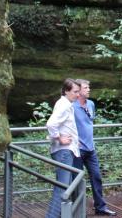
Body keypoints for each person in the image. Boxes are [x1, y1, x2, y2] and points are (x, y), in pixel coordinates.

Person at [72, 79, 116, 216]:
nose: (89, 89)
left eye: (88, 87)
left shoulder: (91, 104)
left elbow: (89, 123)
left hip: (90, 149)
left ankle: (100, 207)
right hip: (77, 150)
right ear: (78, 91)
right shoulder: (71, 106)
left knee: (97, 177)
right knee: (77, 181)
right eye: (86, 88)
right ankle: (77, 210)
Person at [45, 78, 82, 218]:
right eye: (75, 92)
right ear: (66, 91)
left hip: (64, 151)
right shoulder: (65, 105)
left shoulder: (65, 103)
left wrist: (74, 142)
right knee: (62, 188)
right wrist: (59, 137)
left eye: (79, 92)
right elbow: (51, 124)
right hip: (64, 152)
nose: (78, 95)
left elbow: (65, 126)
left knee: (62, 186)